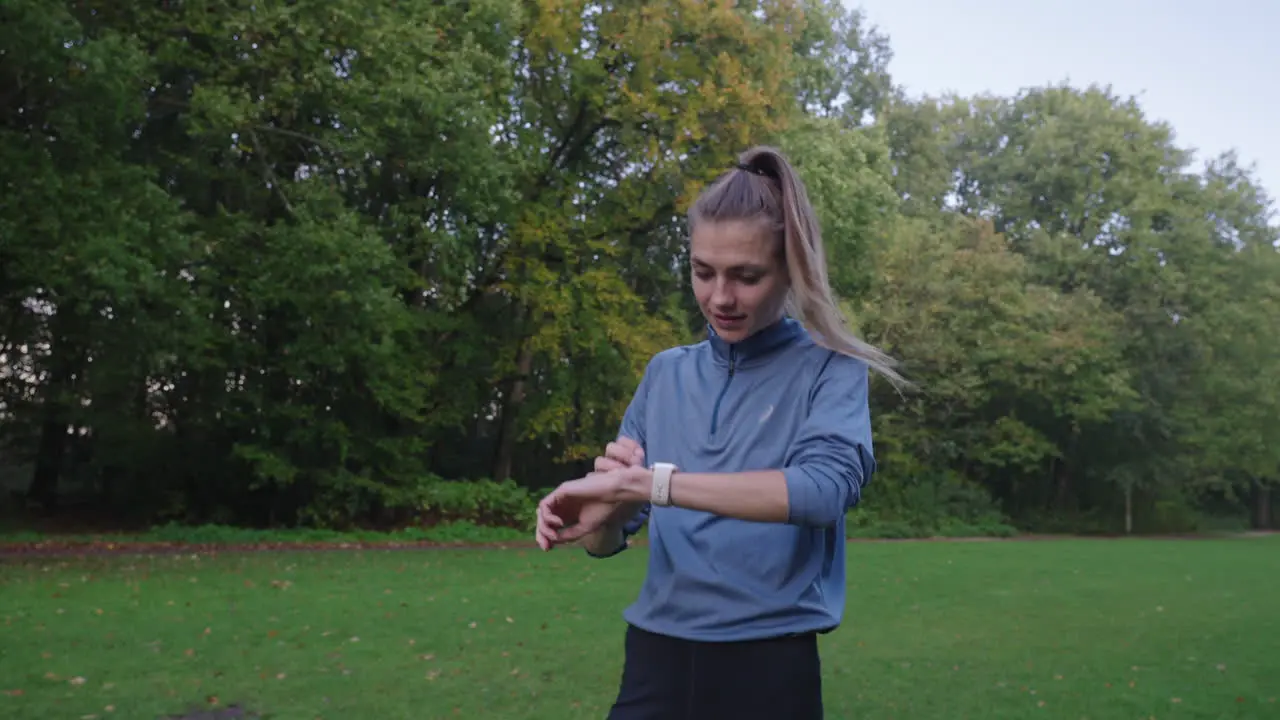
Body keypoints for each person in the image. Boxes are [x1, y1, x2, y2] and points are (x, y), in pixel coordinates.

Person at [534, 145, 903, 720]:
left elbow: (822, 492)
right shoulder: (665, 373)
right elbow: (607, 544)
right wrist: (602, 513)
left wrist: (650, 485)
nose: (720, 297)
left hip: (768, 665)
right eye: (703, 272)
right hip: (655, 658)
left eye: (746, 276)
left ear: (790, 269)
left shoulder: (830, 368)